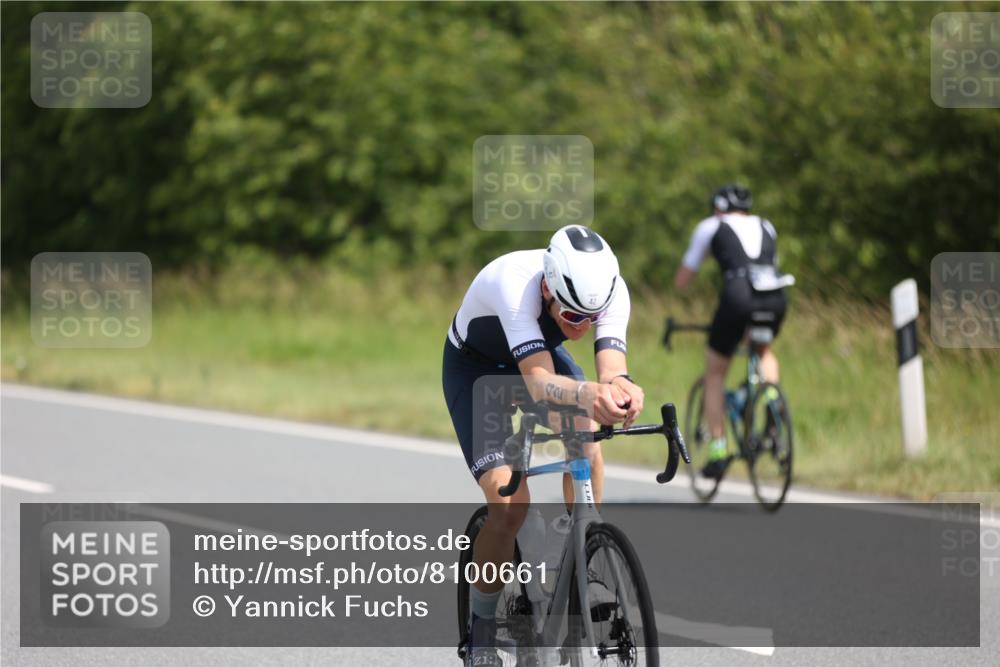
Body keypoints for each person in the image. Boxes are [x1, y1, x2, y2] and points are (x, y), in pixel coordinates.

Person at [442, 224, 644, 665]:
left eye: (590, 319)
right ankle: (481, 631)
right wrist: (587, 393)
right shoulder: (514, 284)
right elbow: (538, 384)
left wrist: (622, 390)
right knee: (509, 505)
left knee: (588, 436)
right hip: (478, 372)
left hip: (538, 363)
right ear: (549, 289)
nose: (581, 327)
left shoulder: (609, 289)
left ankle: (583, 545)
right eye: (571, 317)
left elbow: (611, 370)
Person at [673, 184, 789, 479]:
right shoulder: (767, 225)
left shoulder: (711, 225)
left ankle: (718, 450)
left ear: (717, 207)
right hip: (775, 296)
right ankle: (773, 404)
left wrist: (679, 292)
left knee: (715, 372)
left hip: (738, 295)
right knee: (763, 349)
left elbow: (686, 276)